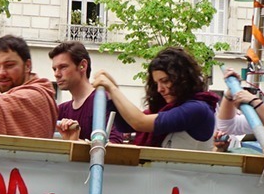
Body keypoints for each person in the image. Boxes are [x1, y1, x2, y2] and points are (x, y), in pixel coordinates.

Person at [90, 46, 218, 150]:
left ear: (183, 78)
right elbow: (126, 124)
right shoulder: (168, 108)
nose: (159, 89)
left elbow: (139, 122)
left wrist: (113, 89)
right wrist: (112, 92)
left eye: (165, 81)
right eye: (157, 83)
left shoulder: (197, 109)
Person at [49, 41, 96, 140]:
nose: (56, 74)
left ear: (82, 66)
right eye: (54, 69)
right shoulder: (60, 110)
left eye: (63, 67)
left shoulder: (103, 102)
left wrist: (75, 141)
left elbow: (116, 148)